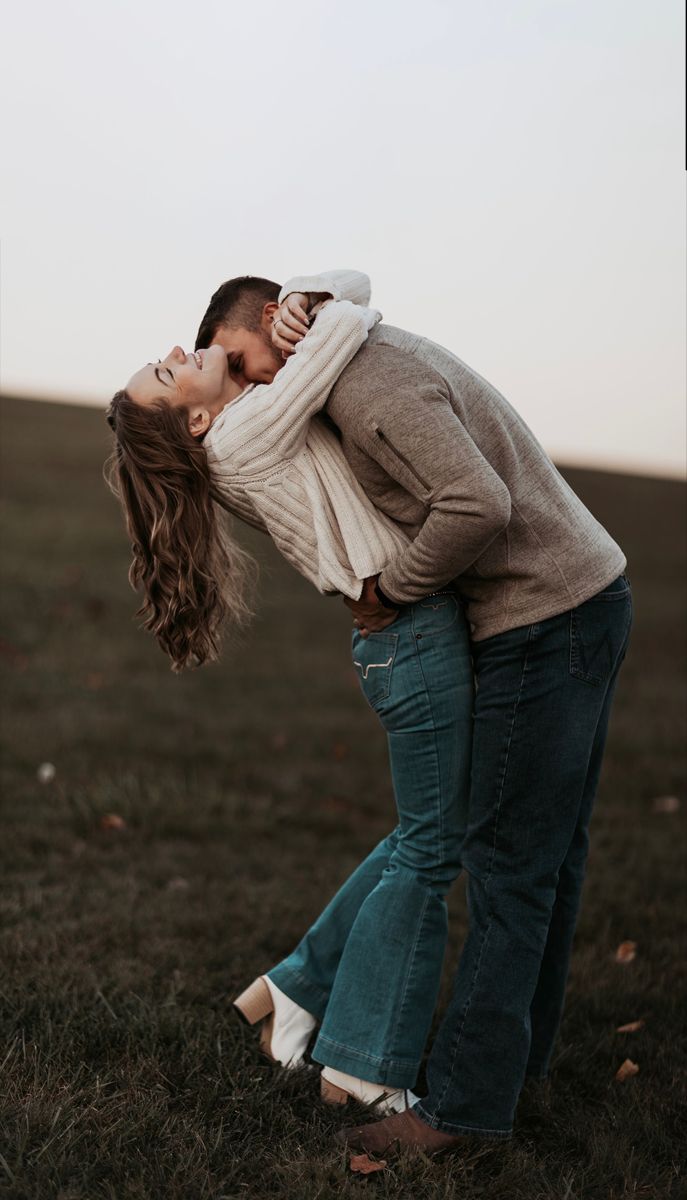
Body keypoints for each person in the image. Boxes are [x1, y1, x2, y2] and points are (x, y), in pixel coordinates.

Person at [195, 268, 632, 1153]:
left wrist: (390, 588)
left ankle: (464, 1113)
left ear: (279, 329)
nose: (245, 391)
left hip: (543, 617)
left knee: (508, 869)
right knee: (548, 860)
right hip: (578, 594)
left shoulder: (365, 388)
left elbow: (477, 505)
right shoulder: (350, 364)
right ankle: (522, 1065)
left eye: (241, 365)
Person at [105, 280, 475, 1115]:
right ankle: (360, 1067)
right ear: (194, 421)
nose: (173, 354)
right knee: (428, 850)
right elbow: (350, 322)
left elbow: (346, 288)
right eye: (165, 377)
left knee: (425, 833)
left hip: (399, 635)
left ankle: (295, 988)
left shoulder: (236, 428)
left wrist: (300, 297)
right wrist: (308, 314)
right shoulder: (246, 431)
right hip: (408, 632)